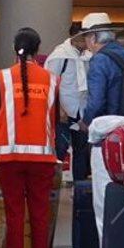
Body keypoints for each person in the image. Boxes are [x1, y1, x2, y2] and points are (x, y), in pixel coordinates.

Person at [0, 28, 59, 248]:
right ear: (37, 50)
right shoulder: (52, 80)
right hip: (43, 157)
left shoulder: (3, 77)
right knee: (41, 213)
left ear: (13, 48)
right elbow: (56, 120)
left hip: (9, 156)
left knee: (14, 213)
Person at [45, 18, 94, 168]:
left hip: (82, 111)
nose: (84, 42)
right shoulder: (59, 55)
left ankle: (79, 187)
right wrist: (59, 110)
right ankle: (54, 185)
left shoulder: (89, 57)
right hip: (63, 112)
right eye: (81, 38)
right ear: (73, 37)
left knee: (82, 151)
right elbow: (49, 84)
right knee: (60, 149)